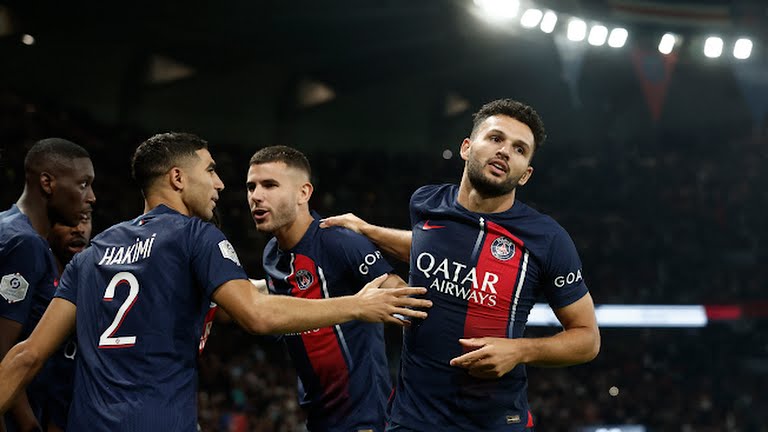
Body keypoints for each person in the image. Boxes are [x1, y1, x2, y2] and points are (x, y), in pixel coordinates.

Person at [0, 132, 431, 432]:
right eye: (211, 171)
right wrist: (357, 305)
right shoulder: (197, 236)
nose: (222, 184)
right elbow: (256, 314)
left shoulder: (94, 252)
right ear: (178, 178)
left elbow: (26, 355)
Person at [320, 99, 601, 431]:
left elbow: (587, 338)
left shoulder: (547, 239)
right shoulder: (426, 202)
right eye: (495, 138)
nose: (505, 151)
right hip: (411, 419)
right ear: (466, 147)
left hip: (494, 422)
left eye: (519, 149)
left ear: (525, 175)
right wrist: (369, 231)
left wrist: (519, 351)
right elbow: (432, 248)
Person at [247, 146, 405, 432]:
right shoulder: (271, 254)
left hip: (363, 420)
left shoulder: (338, 240)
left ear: (303, 193)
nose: (256, 196)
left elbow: (405, 299)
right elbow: (281, 295)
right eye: (251, 187)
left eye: (269, 185)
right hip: (317, 419)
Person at [0, 138, 95, 432]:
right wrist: (29, 425)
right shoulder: (25, 244)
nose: (91, 197)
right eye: (83, 184)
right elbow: (2, 351)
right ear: (47, 183)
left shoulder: (6, 225)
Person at [41, 212, 93, 432]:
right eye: (69, 221)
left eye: (85, 220)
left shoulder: (97, 283)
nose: (78, 228)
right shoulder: (37, 282)